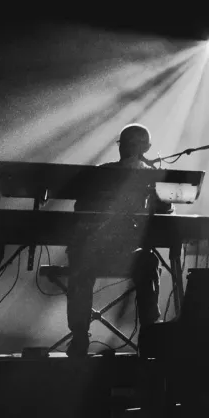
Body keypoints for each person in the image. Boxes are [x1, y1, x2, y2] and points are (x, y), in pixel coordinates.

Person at [65, 123, 170, 357]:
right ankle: (80, 336)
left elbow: (165, 213)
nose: (130, 148)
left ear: (146, 148)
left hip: (130, 251)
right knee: (81, 260)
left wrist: (157, 190)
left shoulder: (151, 176)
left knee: (148, 262)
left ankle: (149, 337)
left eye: (135, 144)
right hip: (98, 248)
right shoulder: (102, 173)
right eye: (127, 144)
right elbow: (81, 208)